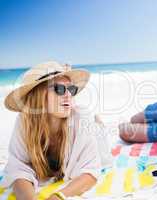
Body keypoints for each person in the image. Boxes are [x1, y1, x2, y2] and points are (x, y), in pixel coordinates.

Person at [1, 61, 112, 200]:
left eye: (71, 89)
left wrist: (58, 196)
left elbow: (91, 172)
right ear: (39, 95)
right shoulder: (25, 121)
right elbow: (18, 170)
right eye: (59, 89)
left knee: (100, 142)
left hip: (93, 137)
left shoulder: (80, 118)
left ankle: (98, 124)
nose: (68, 95)